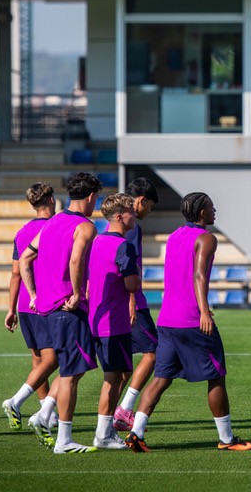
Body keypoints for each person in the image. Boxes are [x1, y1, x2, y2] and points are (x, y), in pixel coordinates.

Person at [124, 192, 251, 453]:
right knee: (216, 376)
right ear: (201, 213)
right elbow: (199, 275)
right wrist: (204, 311)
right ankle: (227, 439)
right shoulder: (206, 238)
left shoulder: (174, 237)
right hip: (192, 321)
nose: (215, 209)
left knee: (161, 378)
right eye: (211, 206)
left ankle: (136, 433)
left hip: (167, 320)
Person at [19, 171, 102, 454]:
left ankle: (43, 416)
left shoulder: (52, 222)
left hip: (49, 310)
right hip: (69, 309)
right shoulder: (85, 226)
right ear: (90, 197)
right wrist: (78, 293)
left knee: (71, 372)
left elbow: (26, 258)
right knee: (69, 374)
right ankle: (63, 439)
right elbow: (77, 259)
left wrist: (33, 294)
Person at [2, 182, 59, 439]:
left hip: (26, 304)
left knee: (39, 360)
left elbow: (16, 273)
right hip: (47, 302)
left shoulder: (22, 231)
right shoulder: (56, 227)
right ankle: (18, 402)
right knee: (55, 360)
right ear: (50, 200)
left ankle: (46, 412)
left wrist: (11, 308)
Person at [86, 193, 141, 450]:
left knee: (121, 373)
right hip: (113, 321)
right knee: (113, 378)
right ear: (119, 216)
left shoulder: (96, 242)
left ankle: (105, 428)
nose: (135, 215)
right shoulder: (124, 245)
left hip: (98, 318)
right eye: (131, 211)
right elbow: (131, 284)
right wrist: (136, 277)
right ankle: (103, 433)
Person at [113, 177, 159, 432]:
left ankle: (109, 417)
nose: (148, 212)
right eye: (149, 205)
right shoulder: (131, 227)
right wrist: (131, 300)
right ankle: (124, 409)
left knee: (122, 366)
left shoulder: (117, 224)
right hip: (132, 301)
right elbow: (126, 265)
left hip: (118, 301)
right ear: (140, 200)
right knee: (153, 353)